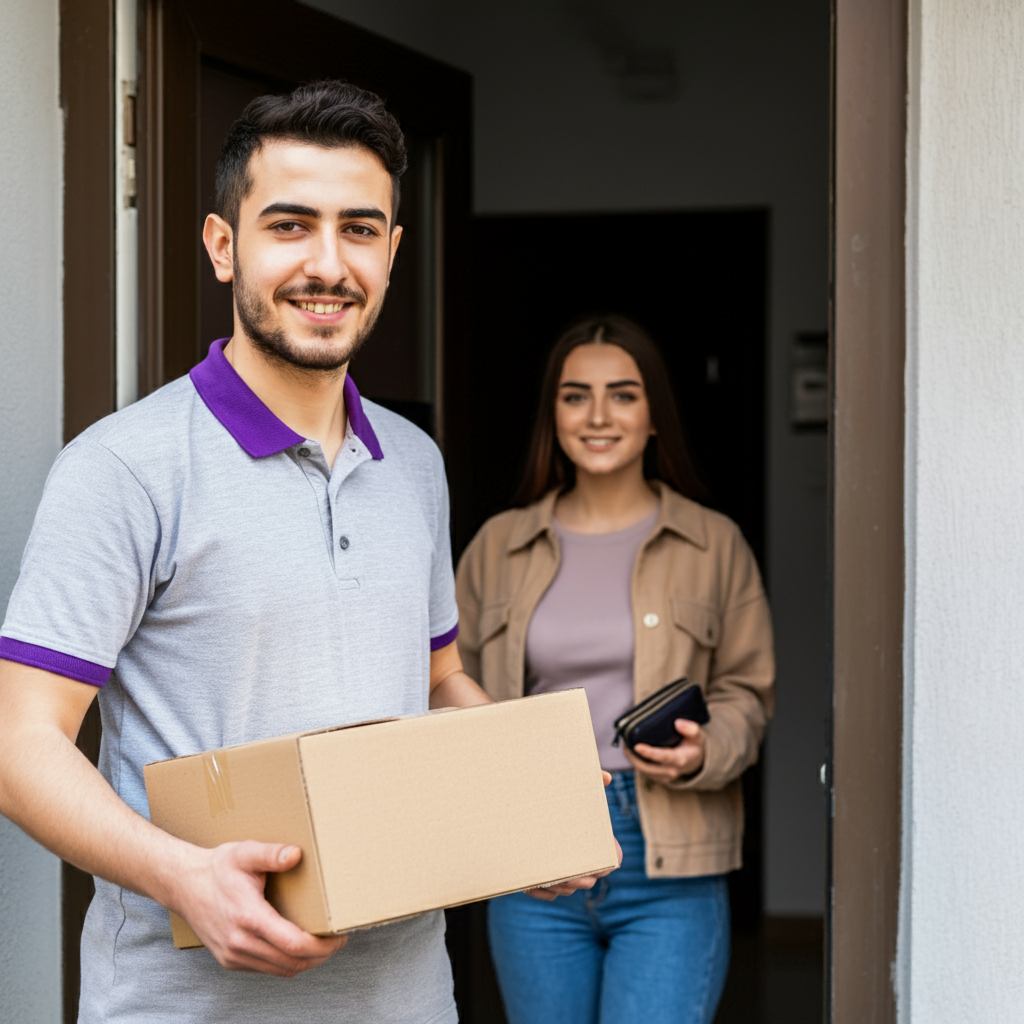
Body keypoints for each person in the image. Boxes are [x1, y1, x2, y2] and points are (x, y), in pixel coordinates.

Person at [0, 81, 605, 1024]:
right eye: (290, 225)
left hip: (405, 998)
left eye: (360, 230)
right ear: (221, 244)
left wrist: (531, 809)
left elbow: (440, 684)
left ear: (393, 254)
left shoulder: (413, 463)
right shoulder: (123, 467)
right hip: (184, 1006)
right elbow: (20, 742)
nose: (329, 264)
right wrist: (185, 877)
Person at [455, 314, 776, 1024]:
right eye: (575, 396)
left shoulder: (712, 543)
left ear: (654, 414)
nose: (598, 415)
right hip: (534, 843)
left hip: (673, 853)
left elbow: (748, 692)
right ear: (554, 415)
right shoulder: (496, 547)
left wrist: (707, 748)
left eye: (623, 395)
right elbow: (452, 690)